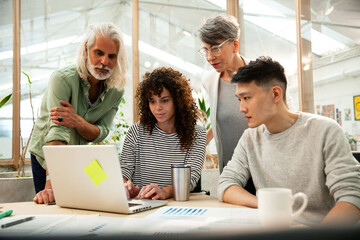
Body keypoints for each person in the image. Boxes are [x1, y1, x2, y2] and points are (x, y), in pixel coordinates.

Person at [218, 56, 360, 225]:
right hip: (278, 229)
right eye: (239, 99)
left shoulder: (325, 130)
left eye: (247, 98)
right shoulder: (250, 137)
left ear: (275, 94)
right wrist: (268, 205)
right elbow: (226, 184)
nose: (241, 108)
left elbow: (352, 197)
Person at [29, 22, 128, 204]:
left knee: (104, 198)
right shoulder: (63, 79)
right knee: (54, 206)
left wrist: (78, 122)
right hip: (49, 155)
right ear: (86, 50)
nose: (104, 62)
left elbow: (100, 133)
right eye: (99, 53)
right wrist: (51, 184)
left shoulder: (116, 90)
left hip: (80, 154)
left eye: (111, 56)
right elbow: (57, 134)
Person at [120, 67, 206, 200]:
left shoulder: (197, 134)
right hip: (142, 205)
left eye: (164, 100)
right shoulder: (136, 132)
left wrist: (165, 192)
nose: (157, 108)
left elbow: (191, 179)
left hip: (177, 207)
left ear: (178, 101)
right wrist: (125, 188)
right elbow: (123, 172)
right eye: (152, 101)